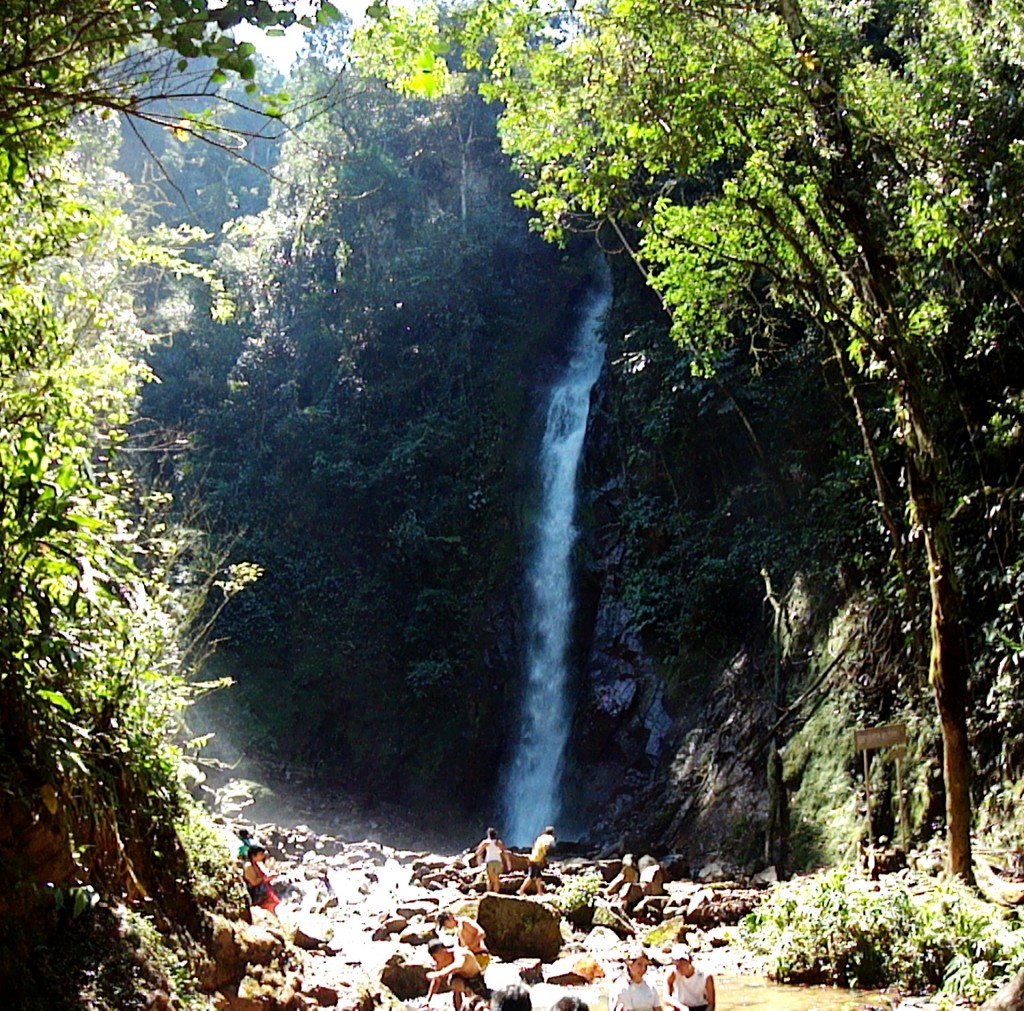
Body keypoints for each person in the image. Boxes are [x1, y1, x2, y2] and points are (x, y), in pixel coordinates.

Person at [426, 939, 490, 1010]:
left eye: (435, 957)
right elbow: (436, 980)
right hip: (459, 979)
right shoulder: (440, 962)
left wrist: (438, 974)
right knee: (456, 984)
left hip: (475, 978)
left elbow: (458, 965)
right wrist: (428, 999)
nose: (434, 960)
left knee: (481, 1002)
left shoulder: (459, 953)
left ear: (442, 951)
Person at [664, 946, 715, 1011]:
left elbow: (711, 1004)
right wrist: (681, 1007)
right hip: (681, 1006)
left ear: (690, 960)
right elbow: (666, 997)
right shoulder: (672, 973)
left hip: (700, 1007)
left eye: (682, 963)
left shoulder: (705, 975)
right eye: (676, 963)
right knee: (668, 1009)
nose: (678, 967)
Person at [612, 947, 662, 1011]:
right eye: (639, 964)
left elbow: (658, 1008)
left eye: (646, 965)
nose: (643, 969)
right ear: (629, 964)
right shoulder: (622, 986)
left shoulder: (651, 985)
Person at [518, 825, 556, 895]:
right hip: (537, 859)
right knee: (531, 876)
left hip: (533, 857)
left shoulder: (540, 837)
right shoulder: (549, 838)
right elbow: (548, 846)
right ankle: (521, 890)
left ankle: (540, 892)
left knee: (538, 877)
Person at [242, 844, 280, 914]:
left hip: (263, 891)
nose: (263, 856)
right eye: (261, 854)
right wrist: (266, 879)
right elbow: (254, 882)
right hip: (256, 894)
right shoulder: (249, 867)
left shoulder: (256, 863)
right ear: (254, 855)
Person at [474, 827, 512, 892]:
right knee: (496, 880)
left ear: (488, 834)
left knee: (489, 879)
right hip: (498, 861)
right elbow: (504, 852)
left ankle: (489, 895)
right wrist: (508, 863)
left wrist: (479, 861)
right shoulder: (498, 842)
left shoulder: (485, 842)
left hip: (489, 861)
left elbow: (478, 852)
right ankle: (496, 895)